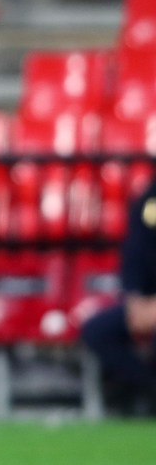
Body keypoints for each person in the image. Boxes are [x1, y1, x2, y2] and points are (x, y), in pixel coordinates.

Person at [81, 178, 156, 415]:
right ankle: (148, 388)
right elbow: (135, 249)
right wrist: (133, 299)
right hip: (145, 302)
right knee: (96, 331)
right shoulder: (150, 197)